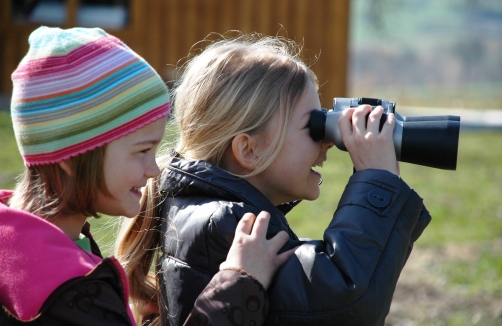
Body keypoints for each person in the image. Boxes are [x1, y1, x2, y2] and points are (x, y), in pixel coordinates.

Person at [116, 33, 431, 326]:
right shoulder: (228, 225)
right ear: (249, 150)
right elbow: (343, 300)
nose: (327, 142)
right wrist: (377, 180)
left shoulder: (202, 213)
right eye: (313, 126)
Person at [0, 26, 295, 326]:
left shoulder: (26, 246)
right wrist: (239, 283)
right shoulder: (68, 291)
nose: (153, 170)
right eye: (141, 151)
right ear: (71, 158)